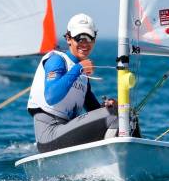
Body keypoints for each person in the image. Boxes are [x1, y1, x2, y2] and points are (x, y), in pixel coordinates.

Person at [27, 13, 118, 153]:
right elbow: (51, 96)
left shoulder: (82, 76)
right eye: (79, 38)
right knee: (114, 115)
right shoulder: (57, 60)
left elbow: (94, 111)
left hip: (66, 133)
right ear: (69, 39)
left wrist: (109, 105)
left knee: (123, 113)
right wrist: (78, 68)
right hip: (49, 137)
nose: (85, 43)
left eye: (89, 38)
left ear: (94, 40)